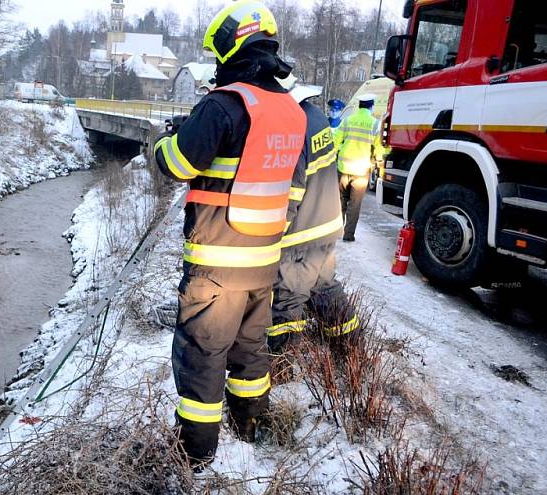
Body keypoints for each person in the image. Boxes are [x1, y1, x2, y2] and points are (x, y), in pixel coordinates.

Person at [152, 1, 306, 466]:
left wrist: (164, 142)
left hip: (217, 265)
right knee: (249, 353)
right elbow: (285, 181)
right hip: (262, 263)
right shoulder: (289, 110)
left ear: (231, 47)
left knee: (202, 359)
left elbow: (178, 163)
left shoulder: (222, 104)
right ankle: (252, 426)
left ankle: (195, 458)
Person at [268, 84, 358, 352]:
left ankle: (283, 364)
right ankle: (350, 348)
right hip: (325, 228)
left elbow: (291, 191)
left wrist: (272, 236)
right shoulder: (315, 116)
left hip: (300, 236)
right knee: (324, 287)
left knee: (287, 298)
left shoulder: (293, 124)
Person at [335, 93, 384, 242]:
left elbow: (336, 140)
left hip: (343, 168)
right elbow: (379, 147)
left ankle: (336, 232)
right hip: (361, 171)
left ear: (359, 106)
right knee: (354, 205)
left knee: (340, 201)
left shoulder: (347, 120)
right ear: (371, 106)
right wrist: (380, 162)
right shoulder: (375, 124)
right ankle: (348, 235)